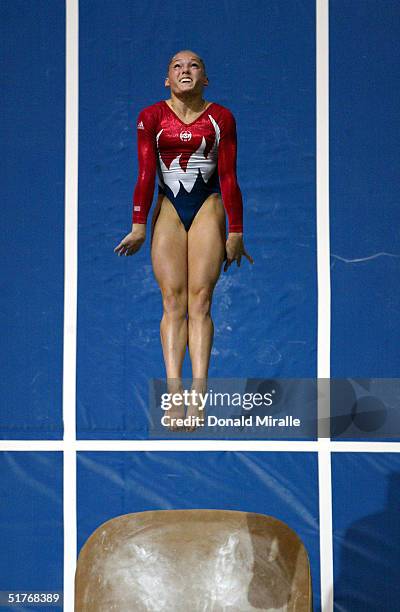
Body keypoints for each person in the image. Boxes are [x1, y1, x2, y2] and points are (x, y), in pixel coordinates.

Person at [114, 50, 253, 431]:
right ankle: (175, 392)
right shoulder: (151, 117)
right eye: (177, 67)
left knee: (200, 299)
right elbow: (145, 174)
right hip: (169, 207)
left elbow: (228, 177)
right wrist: (139, 225)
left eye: (194, 66)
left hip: (207, 203)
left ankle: (199, 393)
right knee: (173, 299)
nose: (185, 71)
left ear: (205, 78)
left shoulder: (221, 118)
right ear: (167, 80)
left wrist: (236, 231)